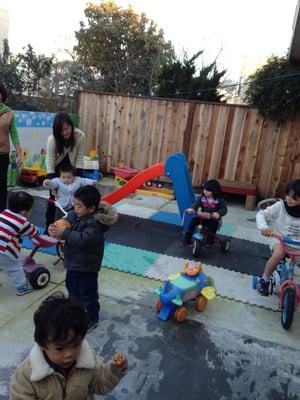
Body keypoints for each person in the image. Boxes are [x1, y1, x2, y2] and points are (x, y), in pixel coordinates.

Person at [10, 292, 128, 399]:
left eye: (76, 345)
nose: (70, 354)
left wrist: (113, 371)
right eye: (59, 348)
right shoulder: (27, 373)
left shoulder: (88, 362)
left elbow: (99, 385)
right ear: (42, 344)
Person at [49, 185, 118, 332]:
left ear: (91, 208)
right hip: (73, 263)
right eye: (75, 205)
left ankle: (92, 318)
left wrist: (65, 232)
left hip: (87, 267)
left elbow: (82, 239)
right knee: (72, 289)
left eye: (79, 206)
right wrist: (58, 226)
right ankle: (75, 313)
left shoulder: (95, 225)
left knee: (88, 294)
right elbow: (70, 216)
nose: (75, 209)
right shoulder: (79, 214)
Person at [256, 179, 300, 296]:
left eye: (294, 197)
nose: (289, 199)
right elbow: (262, 214)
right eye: (288, 195)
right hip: (279, 239)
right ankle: (264, 279)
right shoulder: (280, 206)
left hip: (297, 244)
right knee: (278, 254)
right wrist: (264, 228)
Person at [45, 111, 86, 230]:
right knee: (54, 198)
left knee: (74, 198)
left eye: (67, 129)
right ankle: (49, 226)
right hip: (57, 170)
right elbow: (50, 160)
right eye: (61, 130)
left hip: (72, 169)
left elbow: (79, 159)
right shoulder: (52, 139)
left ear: (71, 126)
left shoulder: (80, 136)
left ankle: (71, 226)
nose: (65, 132)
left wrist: (79, 180)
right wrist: (52, 184)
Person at [0, 191, 39, 295]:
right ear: (24, 212)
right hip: (4, 250)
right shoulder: (22, 222)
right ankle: (22, 288)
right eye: (31, 209)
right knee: (15, 268)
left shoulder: (4, 213)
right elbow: (33, 232)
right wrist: (37, 232)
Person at [182, 179, 228, 246]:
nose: (205, 191)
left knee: (214, 225)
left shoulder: (219, 200)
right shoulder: (202, 198)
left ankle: (209, 242)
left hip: (213, 218)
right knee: (193, 221)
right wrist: (192, 208)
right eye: (204, 189)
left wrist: (218, 213)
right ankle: (187, 239)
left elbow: (224, 209)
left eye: (208, 190)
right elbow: (196, 204)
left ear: (214, 191)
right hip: (203, 217)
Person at [0, 82, 22, 212]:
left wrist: (19, 153)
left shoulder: (9, 113)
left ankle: (1, 215)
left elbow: (14, 134)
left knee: (2, 186)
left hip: (2, 154)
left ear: (2, 95)